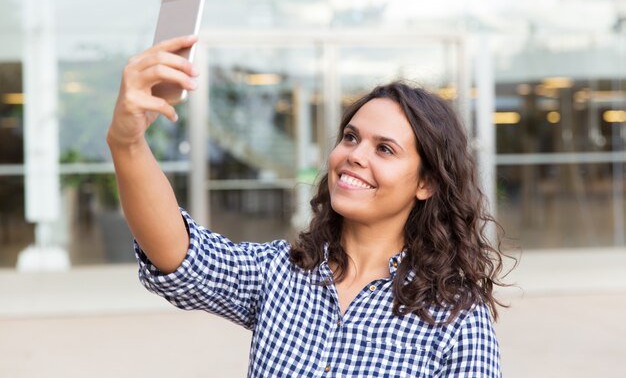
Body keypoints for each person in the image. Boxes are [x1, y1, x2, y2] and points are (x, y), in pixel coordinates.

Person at [108, 35, 508, 377]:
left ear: (426, 182)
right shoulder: (281, 274)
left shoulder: (457, 320)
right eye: (351, 138)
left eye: (384, 149)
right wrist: (127, 143)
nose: (354, 155)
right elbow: (178, 255)